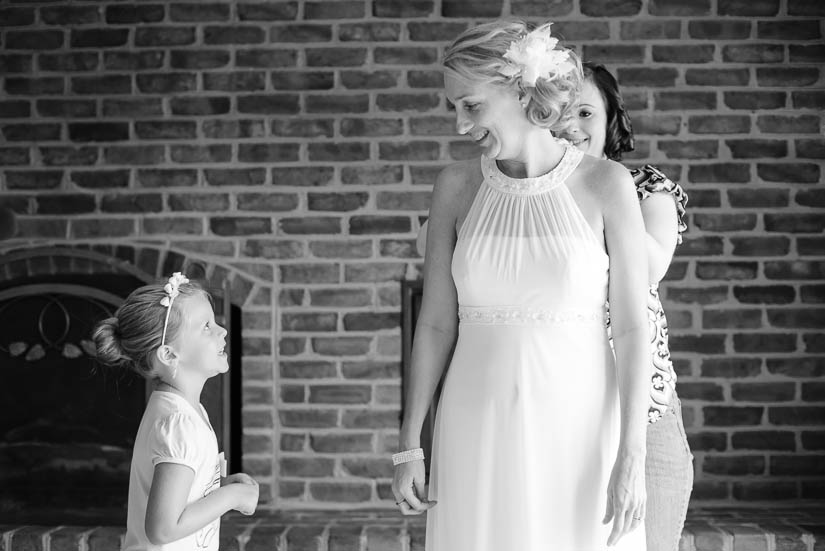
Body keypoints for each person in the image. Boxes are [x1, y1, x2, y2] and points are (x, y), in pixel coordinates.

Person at [393, 20, 651, 550]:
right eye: (454, 109)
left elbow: (630, 328)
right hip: (474, 421)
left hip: (579, 424)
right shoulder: (455, 187)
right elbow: (437, 323)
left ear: (518, 91)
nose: (461, 125)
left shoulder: (606, 184)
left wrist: (633, 452)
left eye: (472, 106)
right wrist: (409, 445)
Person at [562, 62, 693, 551]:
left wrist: (603, 195)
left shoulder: (644, 186)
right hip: (561, 402)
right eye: (559, 112)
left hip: (647, 409)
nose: (571, 125)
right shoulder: (530, 194)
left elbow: (652, 265)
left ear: (611, 120)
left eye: (585, 112)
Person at [93, 272, 259, 551]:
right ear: (169, 355)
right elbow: (162, 529)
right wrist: (232, 497)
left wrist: (218, 486)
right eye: (206, 326)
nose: (222, 331)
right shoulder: (180, 423)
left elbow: (179, 493)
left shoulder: (179, 409)